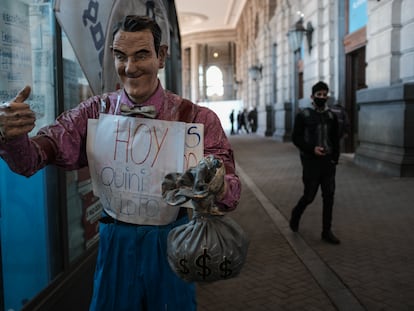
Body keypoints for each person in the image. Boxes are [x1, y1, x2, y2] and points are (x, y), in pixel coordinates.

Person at [0, 15, 241, 310]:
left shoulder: (197, 119)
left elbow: (230, 193)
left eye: (141, 55)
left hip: (172, 243)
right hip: (115, 245)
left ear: (161, 56)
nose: (130, 67)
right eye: (120, 56)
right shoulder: (94, 112)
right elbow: (31, 160)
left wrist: (216, 186)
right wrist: (12, 138)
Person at [289, 81, 341, 244]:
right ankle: (295, 215)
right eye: (319, 95)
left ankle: (326, 231)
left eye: (325, 95)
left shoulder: (331, 116)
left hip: (328, 163)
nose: (322, 97)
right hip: (311, 163)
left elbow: (335, 139)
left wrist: (334, 159)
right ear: (312, 97)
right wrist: (312, 149)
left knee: (329, 197)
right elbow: (296, 138)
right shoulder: (303, 115)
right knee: (309, 196)